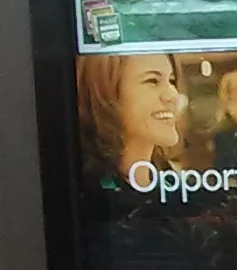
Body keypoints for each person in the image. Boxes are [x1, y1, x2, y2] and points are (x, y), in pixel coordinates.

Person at [77, 52, 182, 187]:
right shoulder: (87, 192)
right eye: (153, 81)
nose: (173, 95)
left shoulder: (174, 187)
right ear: (106, 92)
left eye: (172, 80)